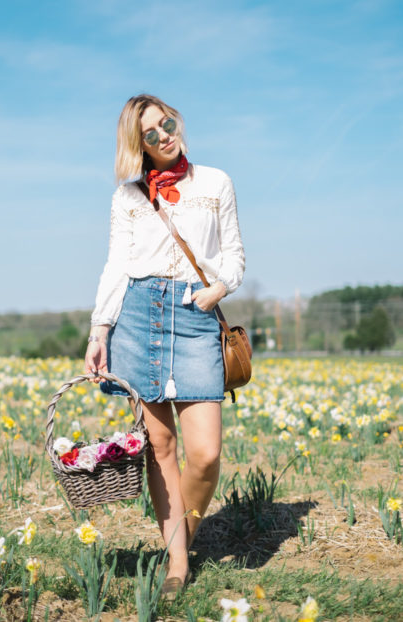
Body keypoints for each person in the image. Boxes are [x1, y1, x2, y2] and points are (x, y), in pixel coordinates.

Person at [84, 93, 245, 596]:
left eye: (168, 123)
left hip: (194, 316)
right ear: (140, 145)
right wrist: (99, 330)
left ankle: (178, 537)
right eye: (150, 133)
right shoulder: (127, 196)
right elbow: (116, 265)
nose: (164, 135)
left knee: (205, 453)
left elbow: (235, 257)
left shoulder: (216, 182)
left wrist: (216, 290)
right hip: (137, 314)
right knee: (160, 446)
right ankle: (178, 563)